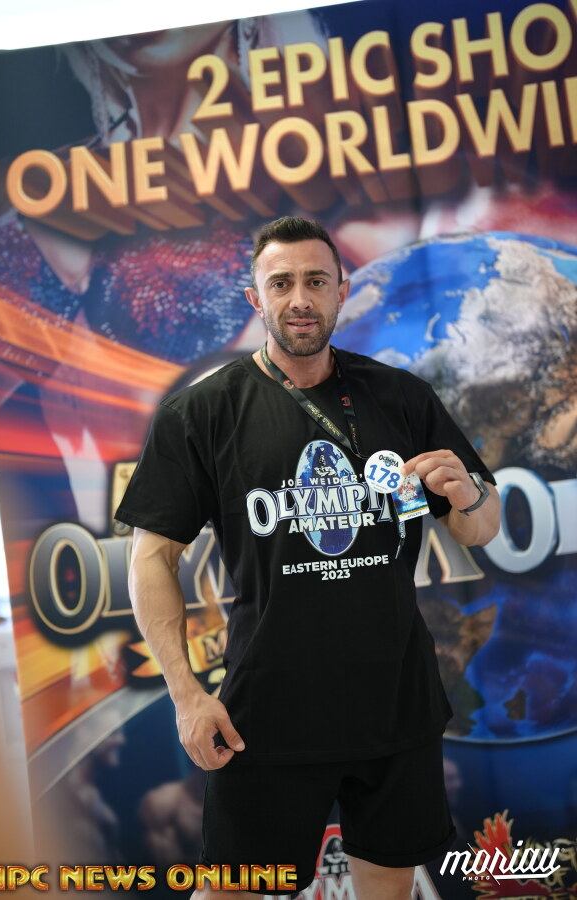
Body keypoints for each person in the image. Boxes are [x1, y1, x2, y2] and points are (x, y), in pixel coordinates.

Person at [115, 216, 501, 900]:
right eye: (282, 282)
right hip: (266, 712)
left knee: (391, 884)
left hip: (396, 703)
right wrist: (186, 696)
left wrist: (468, 494)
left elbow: (480, 528)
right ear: (255, 298)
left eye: (316, 281)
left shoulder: (401, 396)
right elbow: (151, 557)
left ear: (341, 291)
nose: (300, 298)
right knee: (232, 889)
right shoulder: (201, 413)